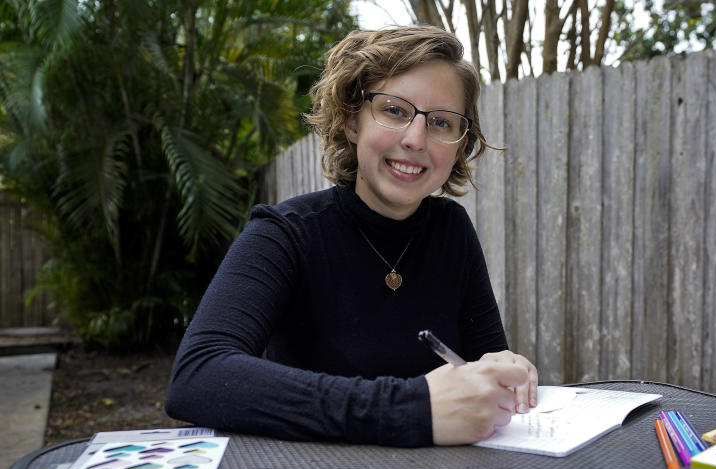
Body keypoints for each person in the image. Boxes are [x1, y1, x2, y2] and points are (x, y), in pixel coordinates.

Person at [165, 25, 538, 447]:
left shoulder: (451, 230)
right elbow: (200, 376)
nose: (415, 139)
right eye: (395, 110)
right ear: (351, 121)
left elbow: (480, 371)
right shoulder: (284, 234)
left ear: (459, 144)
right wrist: (410, 408)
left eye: (440, 122)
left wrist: (502, 373)